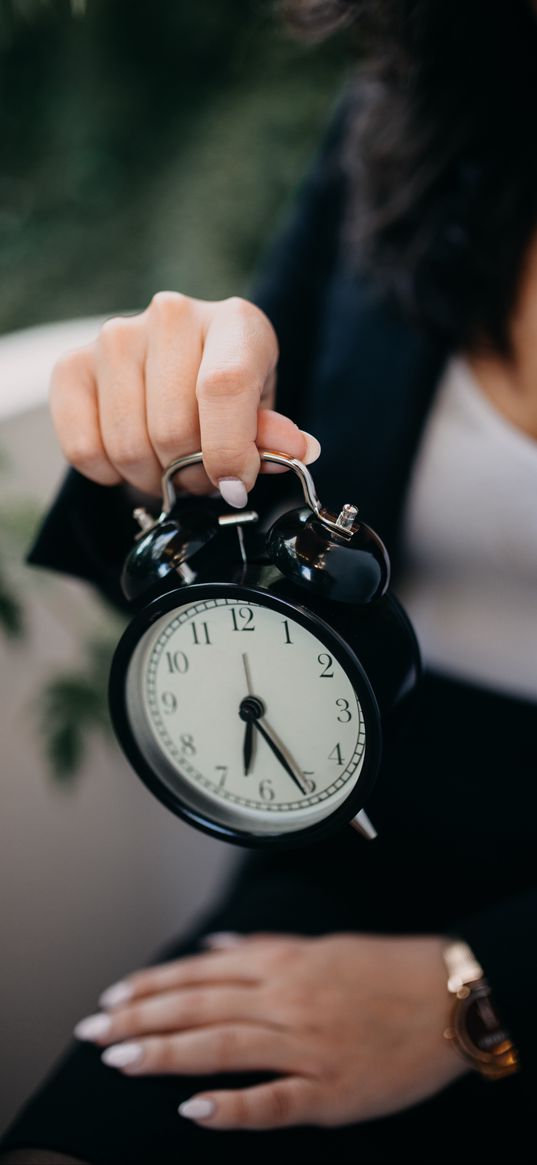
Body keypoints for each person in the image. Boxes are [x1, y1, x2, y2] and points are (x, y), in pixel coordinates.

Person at [2, 1, 537, 1161]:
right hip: (353, 823)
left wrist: (480, 988)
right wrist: (161, 443)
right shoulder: (425, 117)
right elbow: (235, 527)